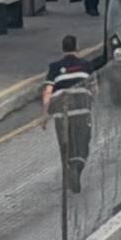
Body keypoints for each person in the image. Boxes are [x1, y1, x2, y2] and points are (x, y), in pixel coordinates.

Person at [43, 35, 94, 191]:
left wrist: (45, 114)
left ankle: (69, 168)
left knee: (66, 145)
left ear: (63, 49)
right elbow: (94, 88)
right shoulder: (87, 66)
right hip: (81, 112)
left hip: (61, 114)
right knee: (82, 145)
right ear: (77, 48)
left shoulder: (54, 67)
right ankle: (77, 168)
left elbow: (48, 90)